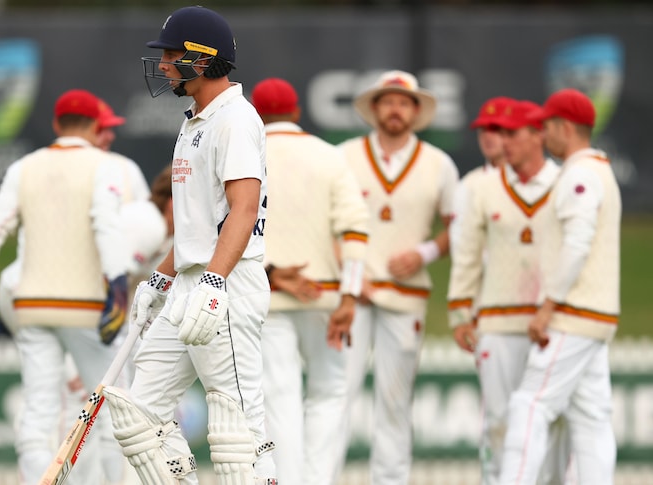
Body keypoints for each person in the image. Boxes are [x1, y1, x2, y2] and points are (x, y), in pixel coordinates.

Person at [102, 6, 277, 484]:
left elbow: (243, 208)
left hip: (227, 285)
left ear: (202, 59)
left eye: (171, 55)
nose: (161, 66)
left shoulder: (235, 120)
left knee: (237, 432)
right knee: (139, 415)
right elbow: (197, 228)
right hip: (189, 284)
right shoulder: (195, 121)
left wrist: (216, 280)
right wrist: (160, 277)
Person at [0, 89, 130, 485]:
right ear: (94, 125)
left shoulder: (25, 166)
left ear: (56, 125)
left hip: (31, 306)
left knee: (38, 414)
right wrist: (117, 285)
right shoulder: (103, 165)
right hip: (85, 306)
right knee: (109, 409)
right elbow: (105, 225)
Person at [337, 70, 459, 484]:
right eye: (387, 101)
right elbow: (325, 222)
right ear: (373, 108)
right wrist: (351, 277)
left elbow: (458, 227)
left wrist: (425, 251)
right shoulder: (346, 156)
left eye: (403, 102)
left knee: (394, 402)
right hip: (352, 296)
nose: (395, 109)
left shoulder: (439, 164)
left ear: (416, 110)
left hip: (406, 296)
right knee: (338, 395)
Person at [250, 77, 369, 485]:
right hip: (326, 298)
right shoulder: (330, 157)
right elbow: (355, 231)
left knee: (278, 397)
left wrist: (269, 273)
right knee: (330, 395)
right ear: (298, 112)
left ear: (256, 112)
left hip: (266, 295)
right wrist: (350, 296)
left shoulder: (244, 151)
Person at [499, 89, 620, 485]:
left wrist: (549, 305)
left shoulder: (579, 175)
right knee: (592, 416)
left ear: (564, 128)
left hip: (574, 313)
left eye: (546, 125)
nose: (542, 133)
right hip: (594, 315)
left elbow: (577, 244)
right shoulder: (600, 169)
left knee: (529, 404)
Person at [448, 99, 570, 485]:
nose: (493, 138)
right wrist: (459, 310)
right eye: (486, 129)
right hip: (497, 320)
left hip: (553, 322)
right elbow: (465, 252)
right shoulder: (477, 187)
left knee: (553, 421)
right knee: (499, 419)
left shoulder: (564, 182)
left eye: (503, 130)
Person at [449, 96, 512, 245]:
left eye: (495, 129)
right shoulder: (469, 185)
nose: (487, 136)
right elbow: (460, 243)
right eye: (483, 129)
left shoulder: (534, 179)